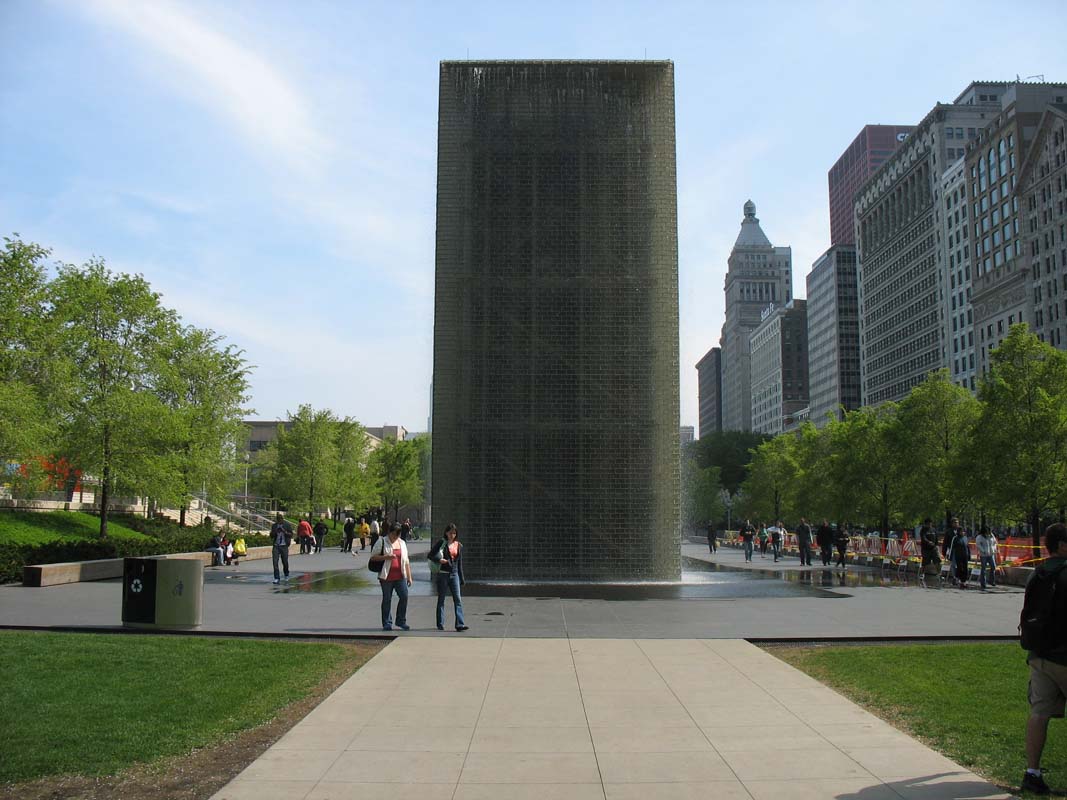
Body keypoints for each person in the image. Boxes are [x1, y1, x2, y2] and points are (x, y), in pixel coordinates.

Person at [1021, 523, 1067, 795]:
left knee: (1039, 714)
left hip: (1039, 655)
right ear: (1062, 545)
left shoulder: (1037, 574)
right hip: (1064, 654)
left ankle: (1032, 772)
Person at [369, 523, 412, 631]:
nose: (395, 538)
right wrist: (386, 557)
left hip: (400, 575)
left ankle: (401, 620)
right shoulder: (382, 541)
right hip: (386, 576)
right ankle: (387, 622)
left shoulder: (402, 543)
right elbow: (373, 557)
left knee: (404, 596)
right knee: (387, 599)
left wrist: (409, 576)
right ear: (389, 532)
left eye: (397, 536)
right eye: (393, 535)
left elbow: (406, 561)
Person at [429, 523, 468, 632]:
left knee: (458, 599)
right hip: (443, 574)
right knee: (441, 599)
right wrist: (439, 560)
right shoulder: (442, 542)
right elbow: (430, 555)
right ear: (446, 533)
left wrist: (461, 578)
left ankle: (460, 624)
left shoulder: (458, 545)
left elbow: (459, 563)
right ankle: (440, 623)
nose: (452, 535)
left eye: (454, 533)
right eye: (450, 533)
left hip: (454, 574)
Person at [270, 513, 293, 585]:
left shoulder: (287, 525)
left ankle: (286, 574)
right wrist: (275, 532)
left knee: (285, 562)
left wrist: (284, 531)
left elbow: (291, 535)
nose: (279, 522)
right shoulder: (274, 526)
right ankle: (276, 577)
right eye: (278, 520)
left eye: (280, 520)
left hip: (284, 546)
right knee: (275, 562)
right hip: (276, 546)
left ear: (282, 519)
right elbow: (271, 536)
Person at [949, 524, 971, 589]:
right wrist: (950, 557)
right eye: (961, 531)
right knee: (960, 569)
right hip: (958, 556)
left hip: (965, 556)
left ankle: (964, 582)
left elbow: (967, 547)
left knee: (966, 569)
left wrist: (969, 555)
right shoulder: (955, 538)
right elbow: (952, 548)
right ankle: (960, 581)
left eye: (963, 531)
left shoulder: (965, 538)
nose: (962, 532)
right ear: (958, 532)